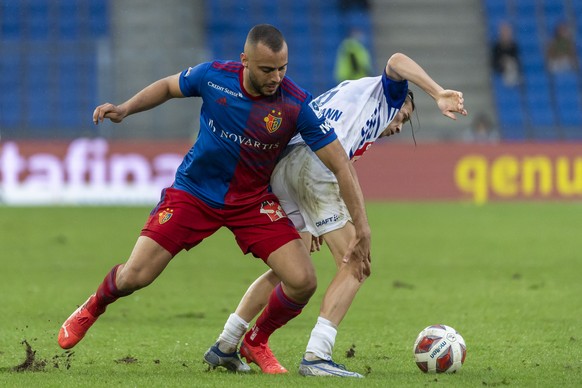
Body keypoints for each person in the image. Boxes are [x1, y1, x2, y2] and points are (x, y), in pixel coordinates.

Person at [57, 25, 372, 374]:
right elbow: (167, 87)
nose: (276, 78)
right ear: (245, 61)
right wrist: (126, 108)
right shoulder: (214, 76)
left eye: (282, 68)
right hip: (194, 192)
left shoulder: (296, 104)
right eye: (268, 69)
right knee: (136, 276)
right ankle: (94, 305)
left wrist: (362, 227)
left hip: (251, 201)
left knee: (302, 281)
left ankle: (255, 341)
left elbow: (340, 164)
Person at [203, 52, 468, 377]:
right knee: (356, 263)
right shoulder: (386, 95)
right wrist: (438, 91)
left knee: (290, 267)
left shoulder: (340, 103)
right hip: (312, 165)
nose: (399, 125)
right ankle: (318, 355)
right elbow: (397, 60)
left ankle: (228, 342)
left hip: (284, 165)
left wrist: (311, 218)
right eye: (404, 116)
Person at [491, 21, 521, 86]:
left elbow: (518, 61)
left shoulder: (514, 46)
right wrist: (502, 63)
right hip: (500, 72)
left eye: (507, 33)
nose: (506, 35)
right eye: (504, 33)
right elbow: (493, 63)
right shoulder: (496, 47)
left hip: (512, 70)